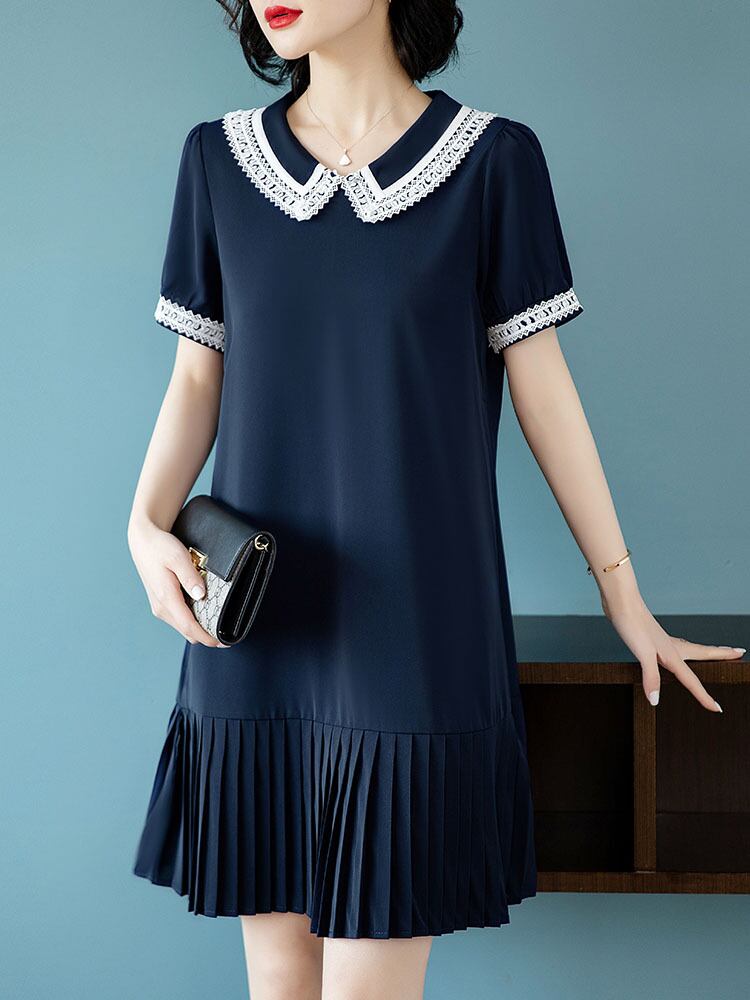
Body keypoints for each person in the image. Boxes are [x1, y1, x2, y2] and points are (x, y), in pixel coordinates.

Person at [127, 2, 745, 998]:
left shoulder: (493, 162)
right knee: (277, 985)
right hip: (258, 633)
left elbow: (547, 397)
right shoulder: (216, 161)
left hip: (412, 636)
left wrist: (624, 599)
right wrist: (141, 522)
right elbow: (198, 379)